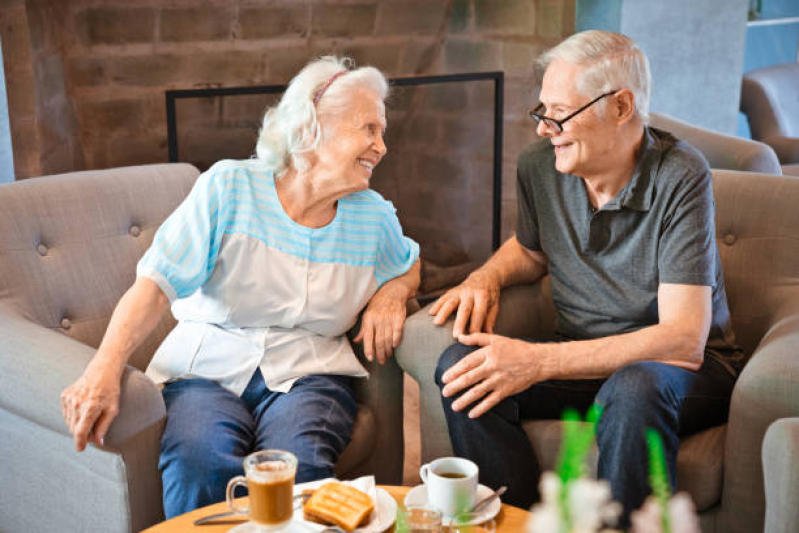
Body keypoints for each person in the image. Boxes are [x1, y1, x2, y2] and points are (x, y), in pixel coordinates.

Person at [60, 56, 420, 517]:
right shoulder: (229, 188)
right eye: (369, 128)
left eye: (382, 131)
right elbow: (155, 285)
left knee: (300, 469)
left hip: (309, 374)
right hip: (204, 370)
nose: (382, 146)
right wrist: (103, 370)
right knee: (199, 462)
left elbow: (410, 263)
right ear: (313, 128)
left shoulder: (371, 217)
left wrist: (393, 292)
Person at [429, 30, 741, 525]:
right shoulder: (541, 166)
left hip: (678, 372)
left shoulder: (681, 175)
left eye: (560, 112)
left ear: (620, 106)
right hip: (583, 355)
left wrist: (537, 361)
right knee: (461, 369)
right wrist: (484, 277)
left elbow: (684, 340)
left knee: (634, 388)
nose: (543, 129)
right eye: (542, 110)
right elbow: (530, 253)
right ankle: (522, 519)